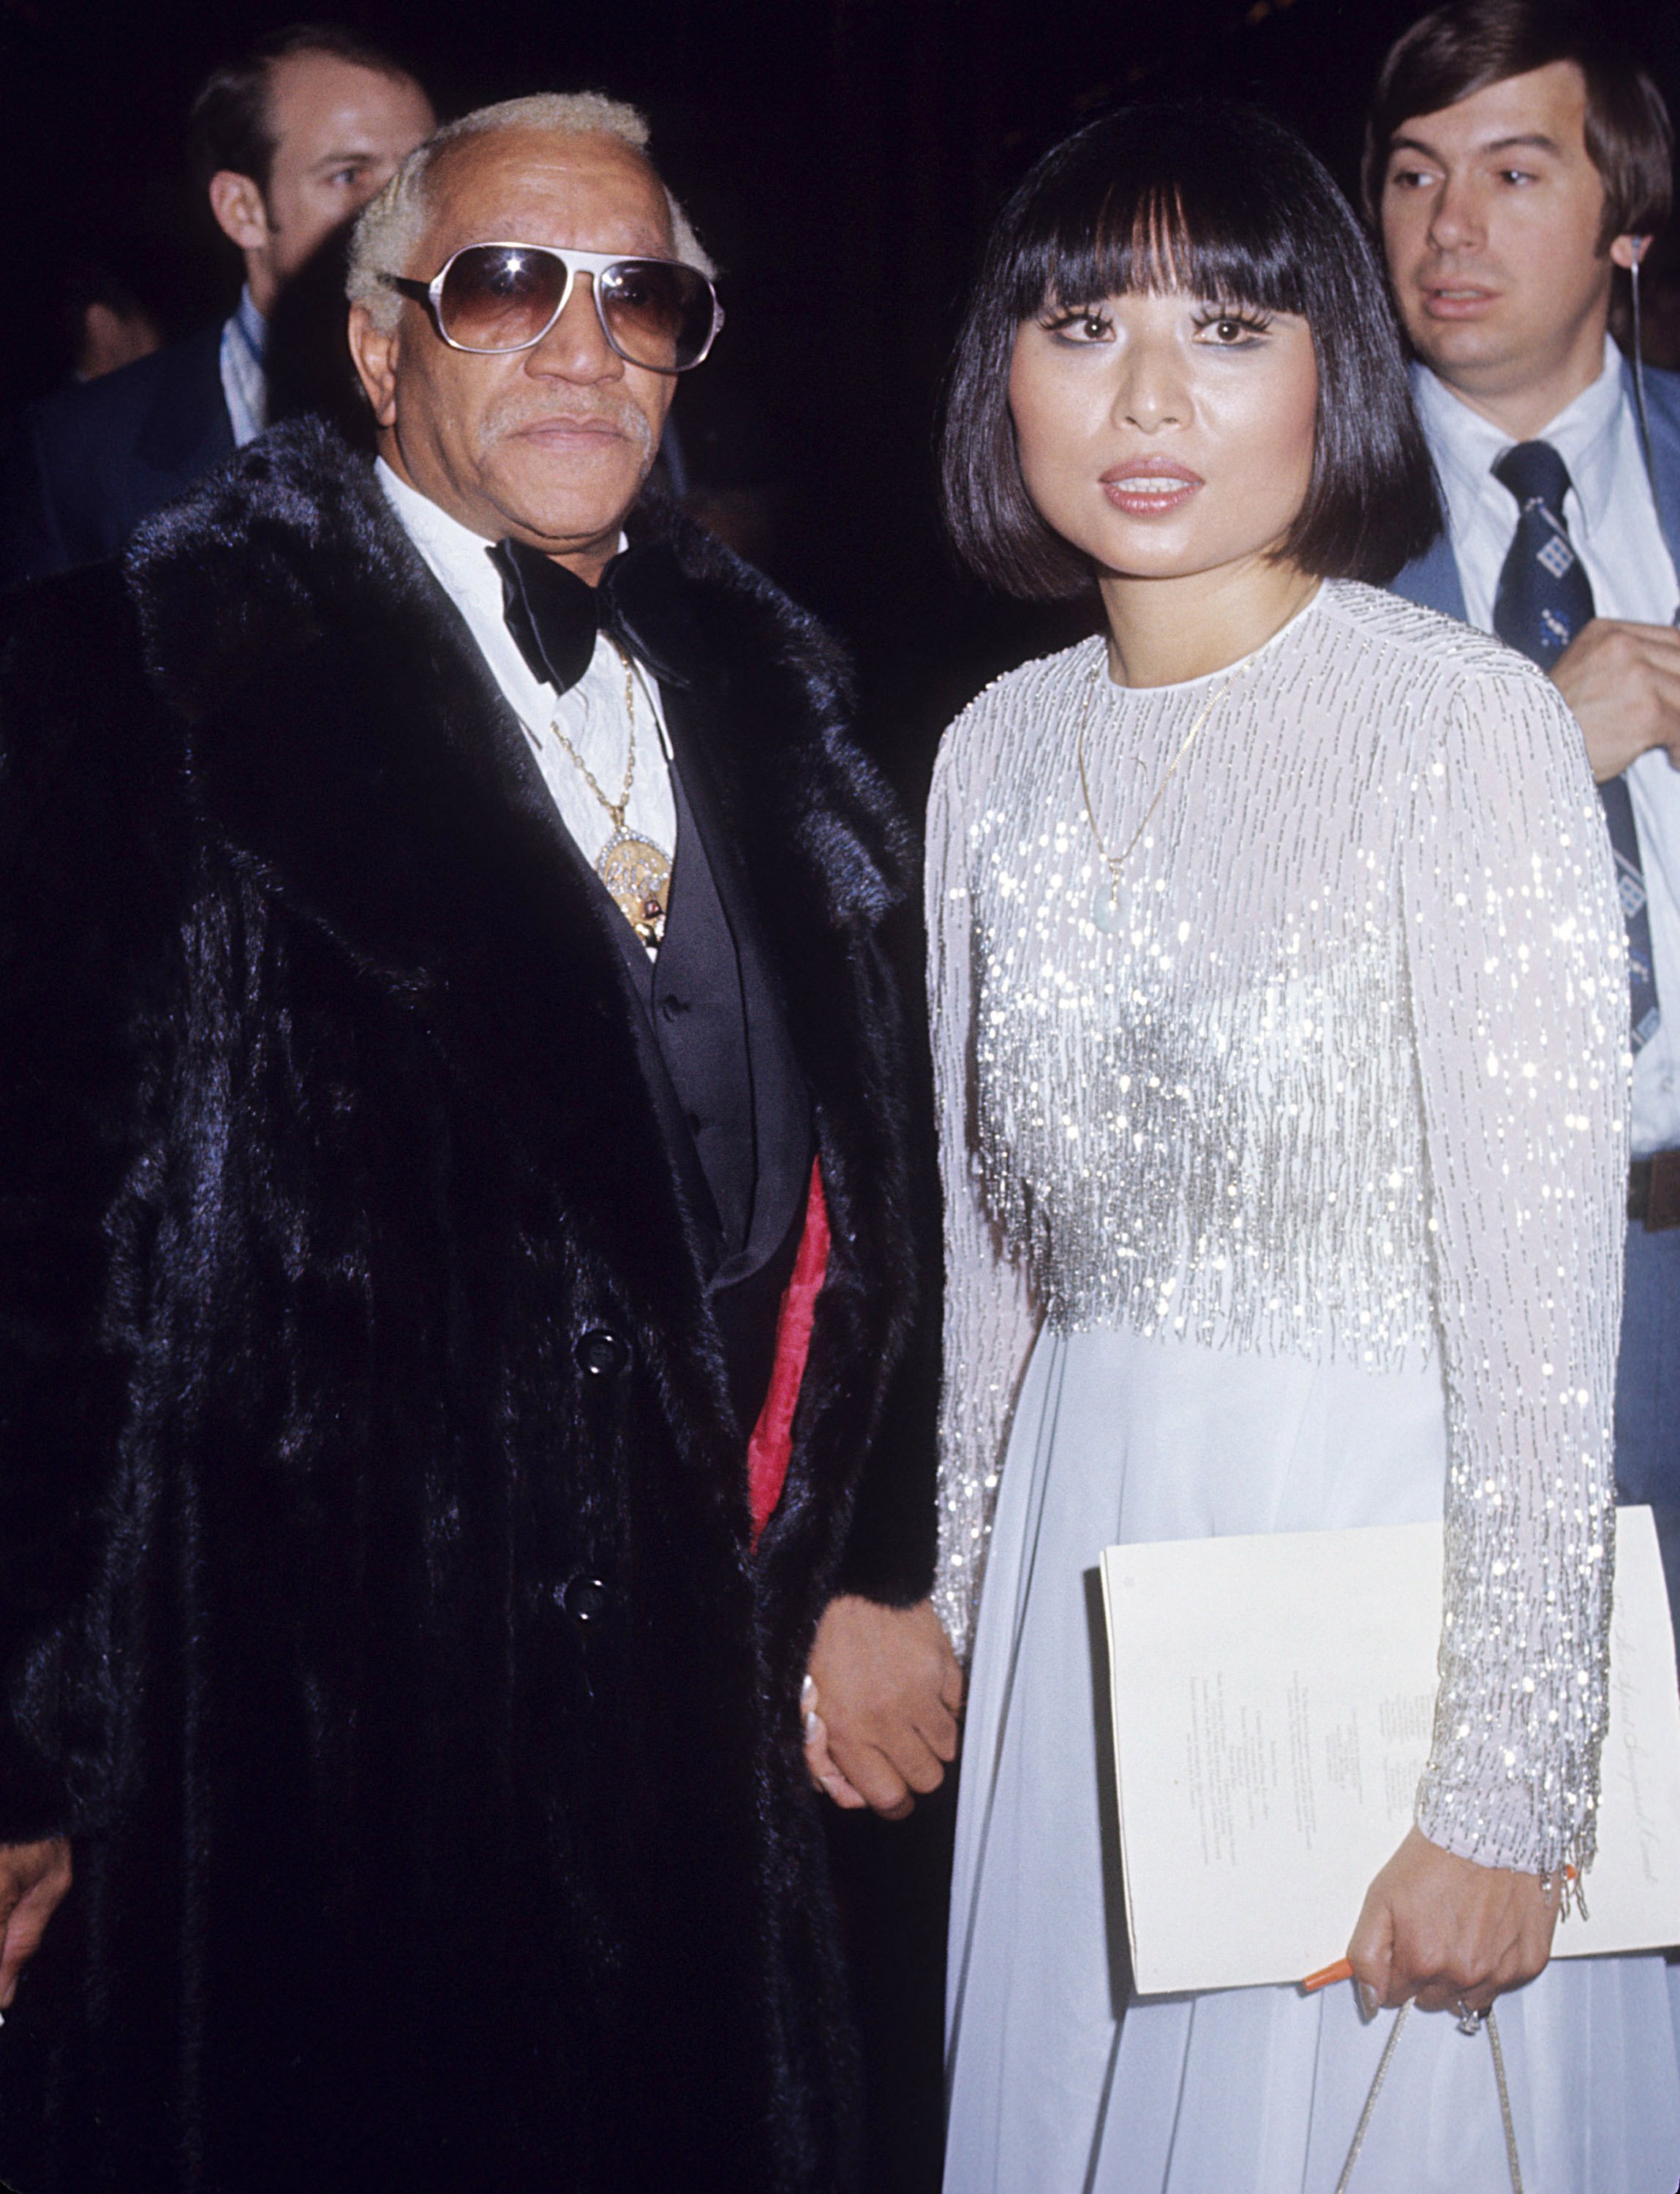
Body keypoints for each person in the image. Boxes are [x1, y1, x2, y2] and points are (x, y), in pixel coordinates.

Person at [0, 90, 947, 2193]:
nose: (582, 343)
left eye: (645, 300)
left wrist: (879, 1564)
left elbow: (881, 1200)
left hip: (703, 1768)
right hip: (301, 1770)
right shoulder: (138, 683)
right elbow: (36, 1257)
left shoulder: (789, 703)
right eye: (510, 286)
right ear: (379, 345)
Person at [929, 98, 1676, 2193]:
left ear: (1335, 365)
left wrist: (1510, 1786)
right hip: (1093, 1565)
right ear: (1004, 371)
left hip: (1369, 1579)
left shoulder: (1462, 728)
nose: (1151, 396)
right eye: (1083, 327)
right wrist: (974, 1621)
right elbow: (996, 1255)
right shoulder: (988, 753)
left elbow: (1543, 1315)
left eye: (1233, 330)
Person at [1370, 0, 1680, 1654]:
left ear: (1626, 217)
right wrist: (1529, 754)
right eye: (1413, 177)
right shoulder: (1291, 541)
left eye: (1510, 169)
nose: (1449, 228)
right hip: (1450, 1311)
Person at [0, 23, 434, 588]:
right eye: (349, 175)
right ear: (242, 210)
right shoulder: (75, 458)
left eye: (422, 176)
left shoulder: (504, 409)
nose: (401, 215)